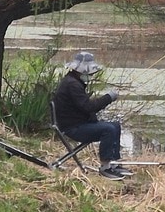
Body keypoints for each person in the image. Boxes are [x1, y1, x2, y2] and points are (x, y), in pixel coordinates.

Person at [50, 51, 131, 180]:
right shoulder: (73, 85)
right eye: (90, 73)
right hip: (73, 128)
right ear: (82, 71)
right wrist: (108, 98)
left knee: (115, 126)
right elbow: (89, 107)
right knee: (109, 129)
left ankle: (113, 163)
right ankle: (105, 167)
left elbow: (83, 106)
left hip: (78, 123)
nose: (91, 75)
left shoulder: (73, 81)